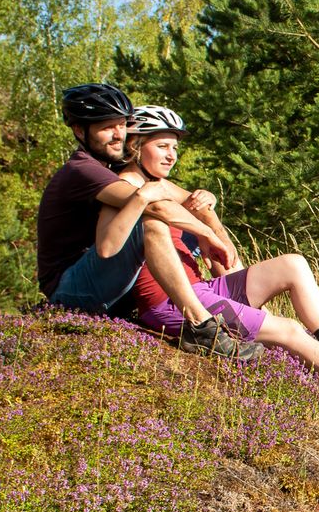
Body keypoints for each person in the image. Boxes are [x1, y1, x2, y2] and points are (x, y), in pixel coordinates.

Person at [107, 106, 319, 415]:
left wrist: (207, 210)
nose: (171, 155)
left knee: (293, 264)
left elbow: (214, 230)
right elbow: (162, 209)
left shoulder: (160, 183)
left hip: (202, 287)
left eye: (175, 148)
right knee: (289, 330)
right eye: (163, 146)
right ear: (135, 144)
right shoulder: (129, 186)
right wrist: (203, 229)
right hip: (173, 304)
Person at [36, 82, 259, 361]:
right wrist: (205, 233)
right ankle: (200, 325)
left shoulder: (108, 168)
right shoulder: (83, 170)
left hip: (101, 277)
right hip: (71, 289)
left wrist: (207, 209)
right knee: (150, 223)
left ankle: (239, 308)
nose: (118, 135)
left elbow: (190, 203)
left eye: (121, 125)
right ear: (80, 131)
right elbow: (155, 206)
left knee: (183, 223)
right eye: (107, 127)